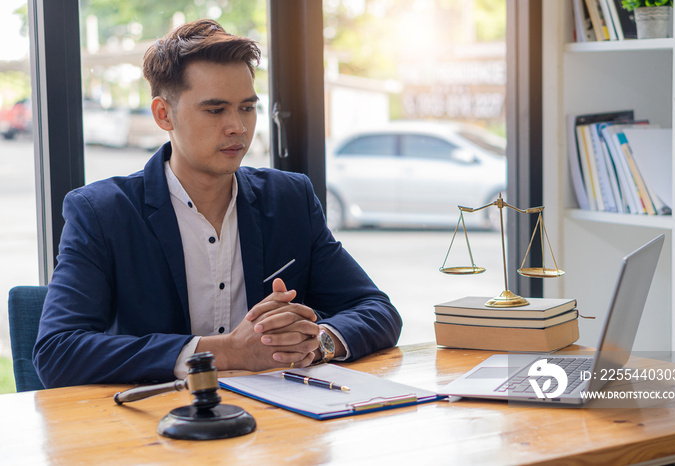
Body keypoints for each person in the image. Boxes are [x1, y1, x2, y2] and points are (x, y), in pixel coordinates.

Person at [33, 19, 402, 388]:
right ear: (164, 114)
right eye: (215, 110)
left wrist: (314, 344)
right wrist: (225, 352)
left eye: (246, 108)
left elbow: (377, 310)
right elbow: (58, 352)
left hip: (280, 425)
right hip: (154, 426)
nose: (238, 128)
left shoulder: (290, 199)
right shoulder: (101, 212)